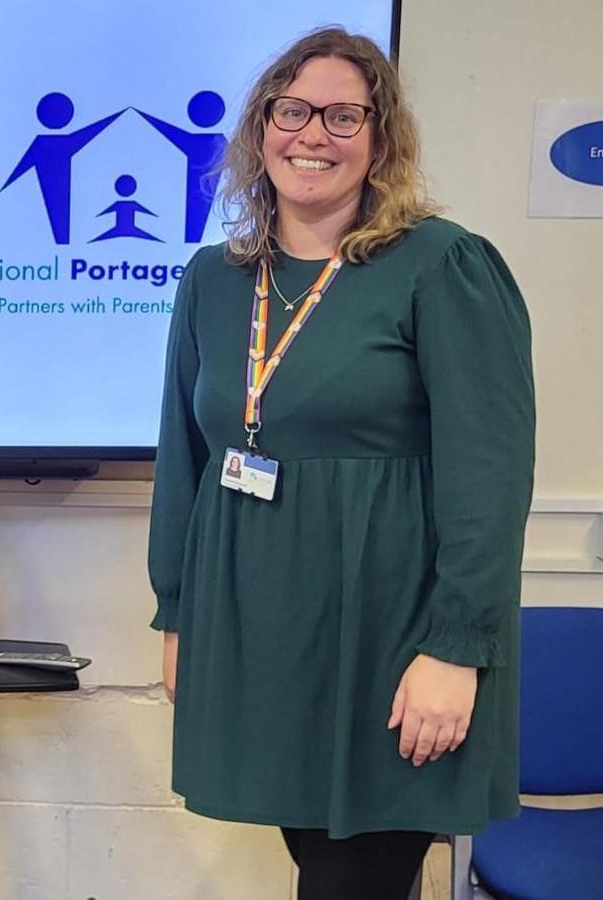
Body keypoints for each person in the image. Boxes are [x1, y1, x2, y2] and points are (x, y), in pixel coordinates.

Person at [147, 28, 534, 900]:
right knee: (321, 865)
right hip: (264, 637)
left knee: (351, 882)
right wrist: (179, 615)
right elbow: (188, 457)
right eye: (292, 111)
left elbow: (491, 475)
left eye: (342, 116)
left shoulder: (442, 267)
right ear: (259, 130)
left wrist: (455, 648)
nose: (312, 134)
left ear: (381, 141)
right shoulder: (213, 279)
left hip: (397, 639)